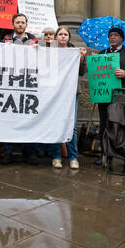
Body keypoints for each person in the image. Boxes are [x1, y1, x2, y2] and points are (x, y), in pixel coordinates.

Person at [95, 27, 125, 167]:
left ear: (122, 38)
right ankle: (105, 154)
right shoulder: (103, 53)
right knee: (105, 126)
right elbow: (97, 72)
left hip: (123, 97)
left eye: (116, 35)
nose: (112, 37)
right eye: (110, 35)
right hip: (105, 97)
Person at [1, 13, 39, 165]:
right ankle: (8, 152)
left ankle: (28, 153)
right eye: (18, 22)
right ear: (13, 24)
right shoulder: (6, 39)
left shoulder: (34, 40)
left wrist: (38, 50)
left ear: (26, 24)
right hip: (11, 82)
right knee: (10, 119)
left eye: (23, 22)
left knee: (28, 118)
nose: (21, 25)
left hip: (28, 82)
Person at [51, 26, 87, 169]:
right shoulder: (50, 52)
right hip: (54, 94)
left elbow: (81, 73)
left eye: (66, 34)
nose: (63, 36)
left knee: (71, 126)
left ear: (69, 38)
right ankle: (56, 156)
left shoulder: (75, 53)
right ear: (56, 37)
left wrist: (82, 60)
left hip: (71, 94)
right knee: (55, 124)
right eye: (60, 34)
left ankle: (73, 157)